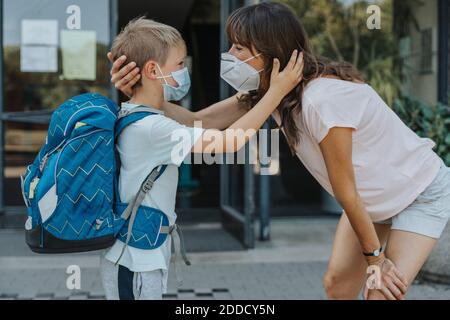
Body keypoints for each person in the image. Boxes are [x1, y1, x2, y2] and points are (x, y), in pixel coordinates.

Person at [110, 2, 450, 300]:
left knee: (379, 291)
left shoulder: (323, 100)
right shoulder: (270, 94)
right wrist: (139, 92)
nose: (231, 56)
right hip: (371, 200)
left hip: (417, 194)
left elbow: (345, 193)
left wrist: (376, 259)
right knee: (337, 286)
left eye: (241, 48)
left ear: (270, 55)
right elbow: (199, 120)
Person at [101, 16, 303, 300]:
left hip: (141, 253)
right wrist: (277, 92)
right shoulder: (153, 128)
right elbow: (229, 141)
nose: (185, 71)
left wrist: (263, 90)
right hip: (134, 260)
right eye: (180, 64)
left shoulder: (144, 115)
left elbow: (200, 119)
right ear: (152, 70)